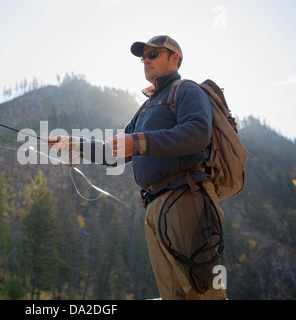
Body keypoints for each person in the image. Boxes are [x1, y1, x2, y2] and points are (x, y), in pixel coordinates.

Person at [48, 35, 227, 300]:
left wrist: (138, 142)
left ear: (174, 58)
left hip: (186, 197)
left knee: (204, 292)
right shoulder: (145, 108)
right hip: (154, 208)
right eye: (143, 56)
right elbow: (113, 153)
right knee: (172, 295)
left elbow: (198, 133)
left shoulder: (187, 90)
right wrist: (74, 143)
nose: (146, 60)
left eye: (153, 54)